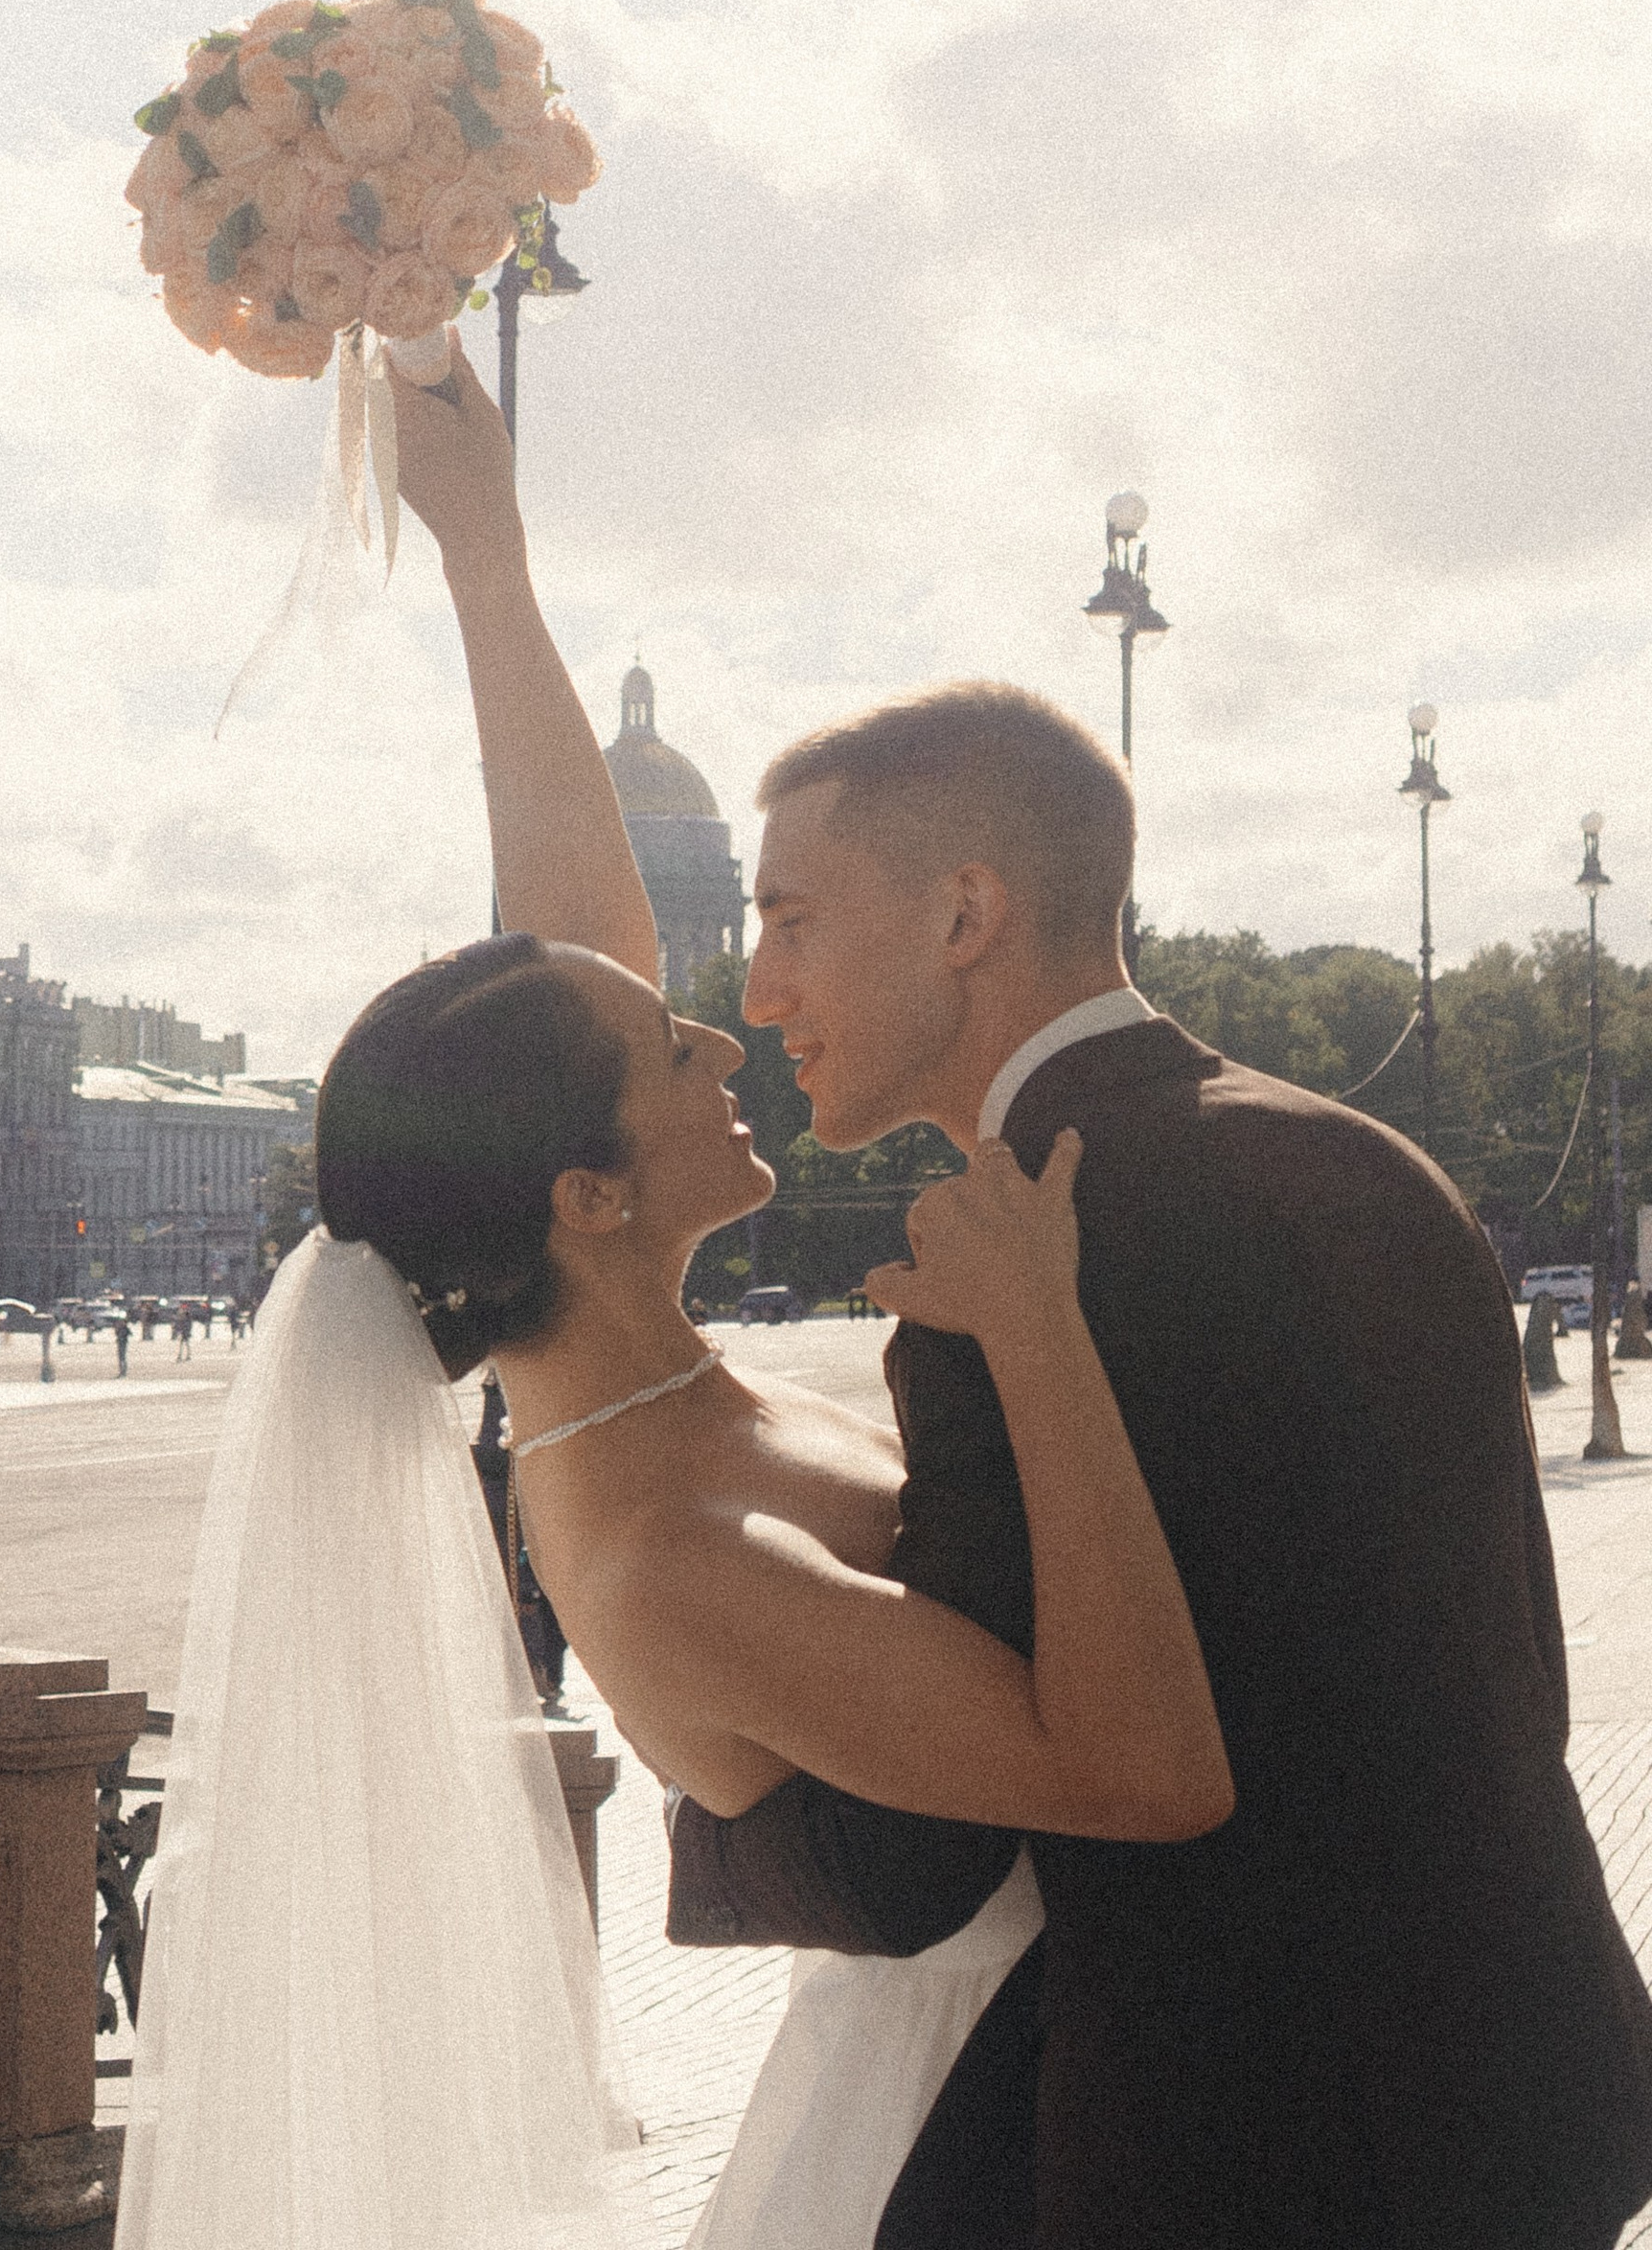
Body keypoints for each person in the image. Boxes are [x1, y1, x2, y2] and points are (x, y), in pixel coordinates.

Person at [403, 345, 1652, 2250]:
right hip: (1537, 2074)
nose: (753, 998)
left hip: (1238, 2157)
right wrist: (488, 562)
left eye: (793, 922)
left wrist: (717, 1824)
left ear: (966, 914)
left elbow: (948, 1846)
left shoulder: (1011, 1273)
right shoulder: (1369, 1166)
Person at [115, 433, 1231, 2250]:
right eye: (668, 1048)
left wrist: (484, 550)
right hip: (965, 2151)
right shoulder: (665, 1552)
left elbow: (578, 931)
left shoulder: (627, 1389)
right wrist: (1039, 1335)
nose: (728, 1030)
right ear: (588, 1195)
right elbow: (1149, 1778)